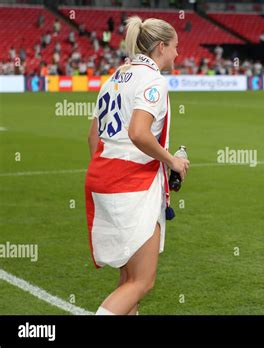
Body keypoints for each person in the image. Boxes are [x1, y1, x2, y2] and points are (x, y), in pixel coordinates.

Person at [85, 16, 189, 315]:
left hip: (103, 177)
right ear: (160, 47)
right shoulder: (153, 80)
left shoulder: (115, 76)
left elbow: (93, 137)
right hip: (132, 184)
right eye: (175, 47)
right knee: (142, 282)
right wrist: (172, 161)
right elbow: (139, 133)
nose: (177, 54)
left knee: (128, 278)